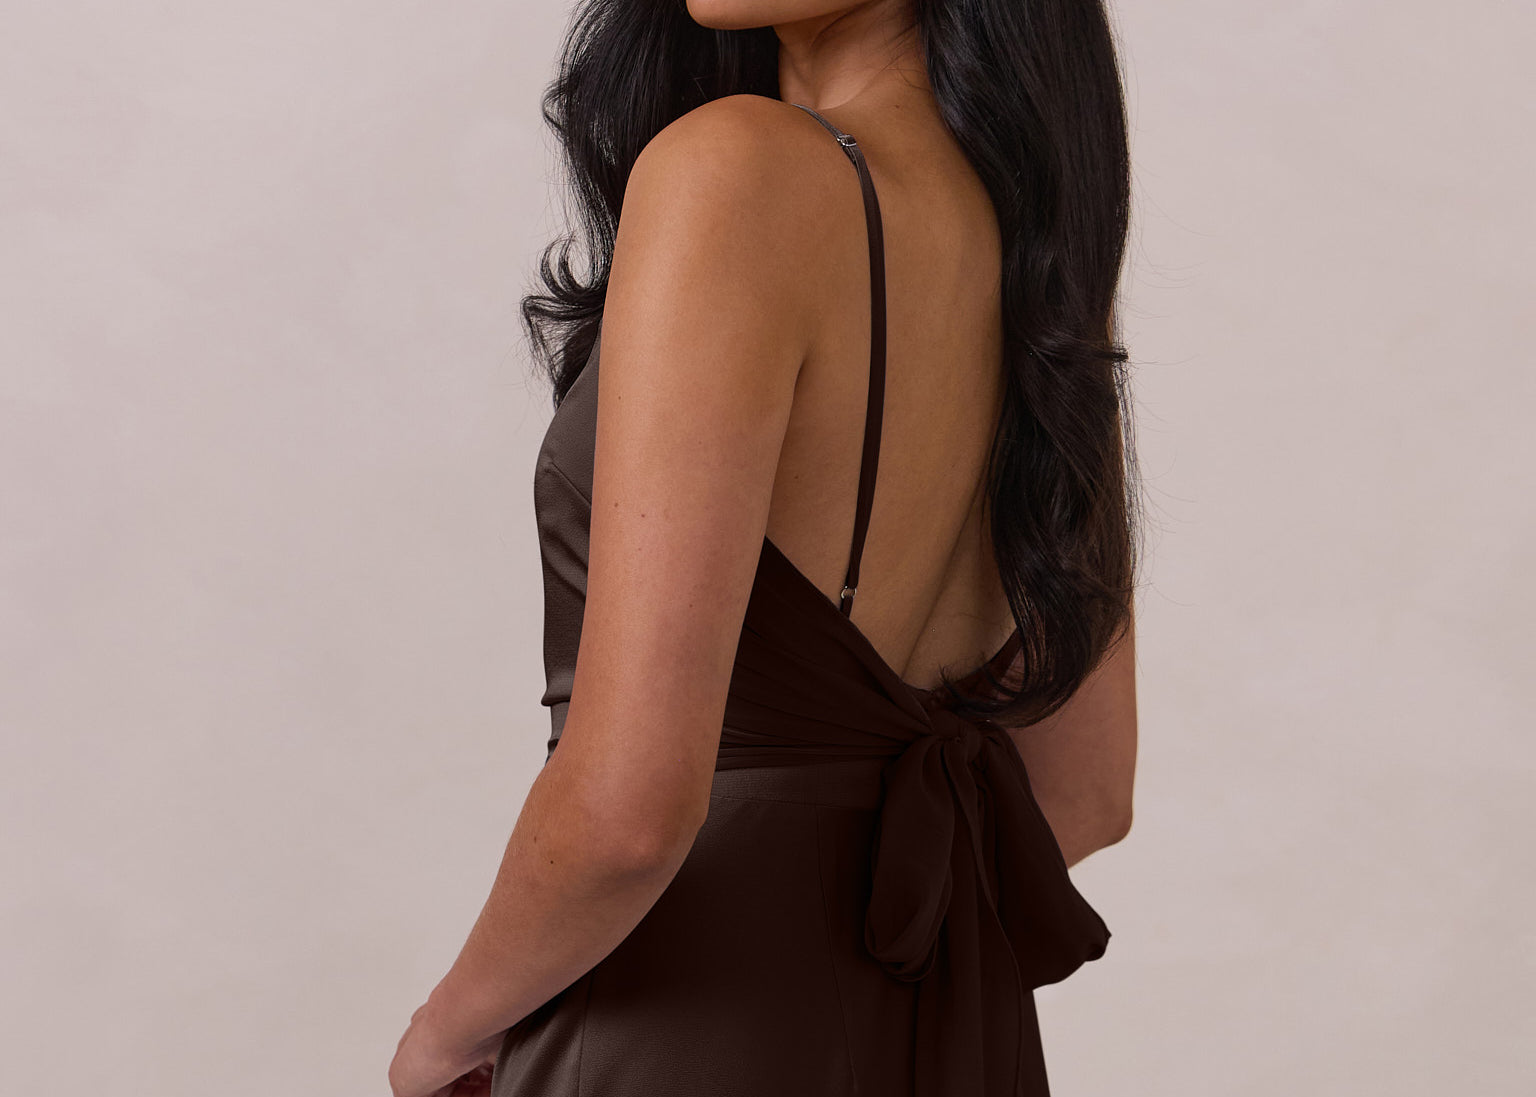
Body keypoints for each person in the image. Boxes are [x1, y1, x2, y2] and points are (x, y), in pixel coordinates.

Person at [390, 2, 1141, 1095]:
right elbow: (1086, 790)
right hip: (934, 1028)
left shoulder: (733, 171)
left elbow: (626, 812)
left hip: (678, 1027)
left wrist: (446, 1029)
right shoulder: (1046, 244)